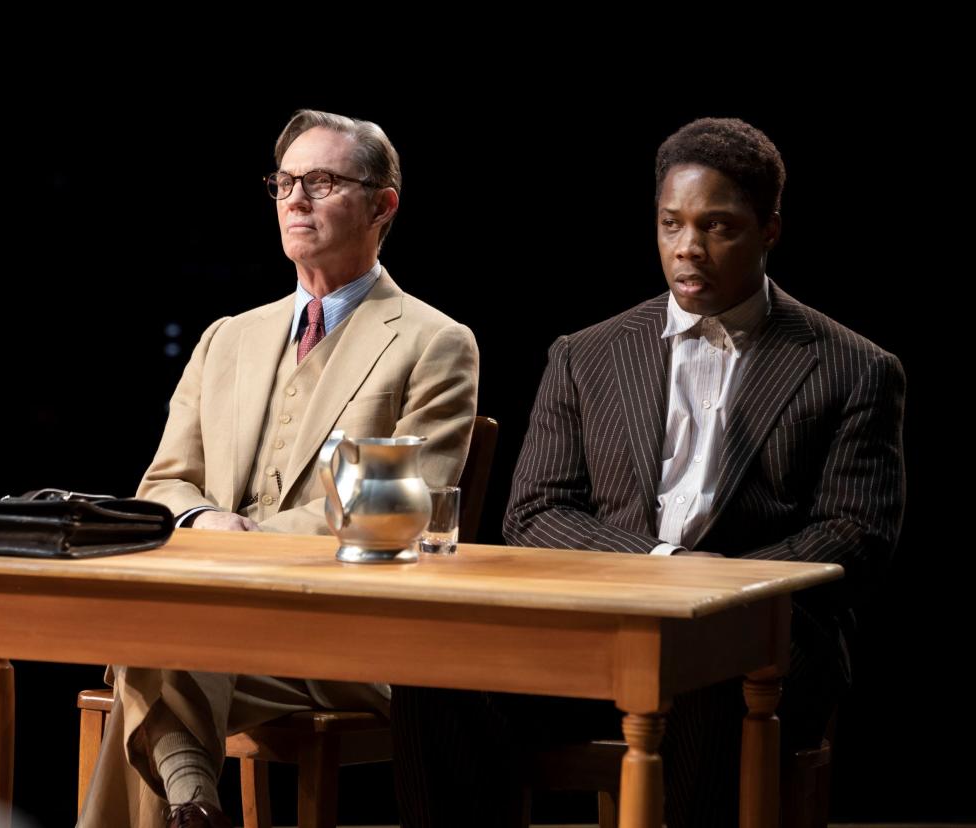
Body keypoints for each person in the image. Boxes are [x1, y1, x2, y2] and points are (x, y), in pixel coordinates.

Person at [391, 117, 905, 827]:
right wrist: (663, 568)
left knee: (702, 676)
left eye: (718, 226)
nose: (688, 248)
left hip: (760, 646)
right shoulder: (586, 354)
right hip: (598, 632)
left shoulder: (854, 368)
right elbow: (536, 511)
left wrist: (721, 597)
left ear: (770, 230)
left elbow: (855, 536)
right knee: (437, 672)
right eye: (671, 224)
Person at [79, 109, 479, 828]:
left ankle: (188, 792)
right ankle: (194, 799)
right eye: (284, 182)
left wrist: (243, 542)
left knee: (147, 650)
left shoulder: (436, 342)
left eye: (322, 181)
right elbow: (163, 485)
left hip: (347, 636)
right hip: (222, 626)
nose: (295, 199)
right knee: (160, 641)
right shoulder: (228, 337)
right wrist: (205, 518)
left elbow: (399, 508)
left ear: (383, 205)